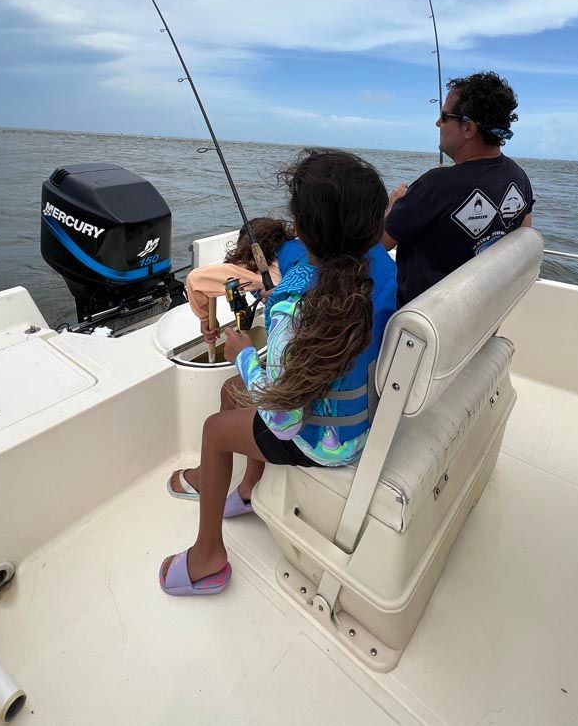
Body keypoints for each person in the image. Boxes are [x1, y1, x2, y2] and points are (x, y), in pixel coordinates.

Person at [160, 148, 397, 596]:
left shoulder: (291, 301)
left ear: (305, 229)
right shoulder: (384, 269)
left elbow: (282, 420)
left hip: (324, 443)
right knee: (234, 393)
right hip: (364, 420)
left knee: (215, 430)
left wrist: (244, 353)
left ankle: (207, 556)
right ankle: (249, 488)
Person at [382, 71, 534, 307]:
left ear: (468, 129)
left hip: (421, 322)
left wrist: (392, 206)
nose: (437, 123)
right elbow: (520, 241)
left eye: (444, 117)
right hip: (476, 316)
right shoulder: (519, 177)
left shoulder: (435, 185)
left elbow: (379, 246)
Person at [184, 217, 306, 344]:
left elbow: (195, 281)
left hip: (298, 331)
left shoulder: (262, 267)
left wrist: (206, 319)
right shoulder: (302, 247)